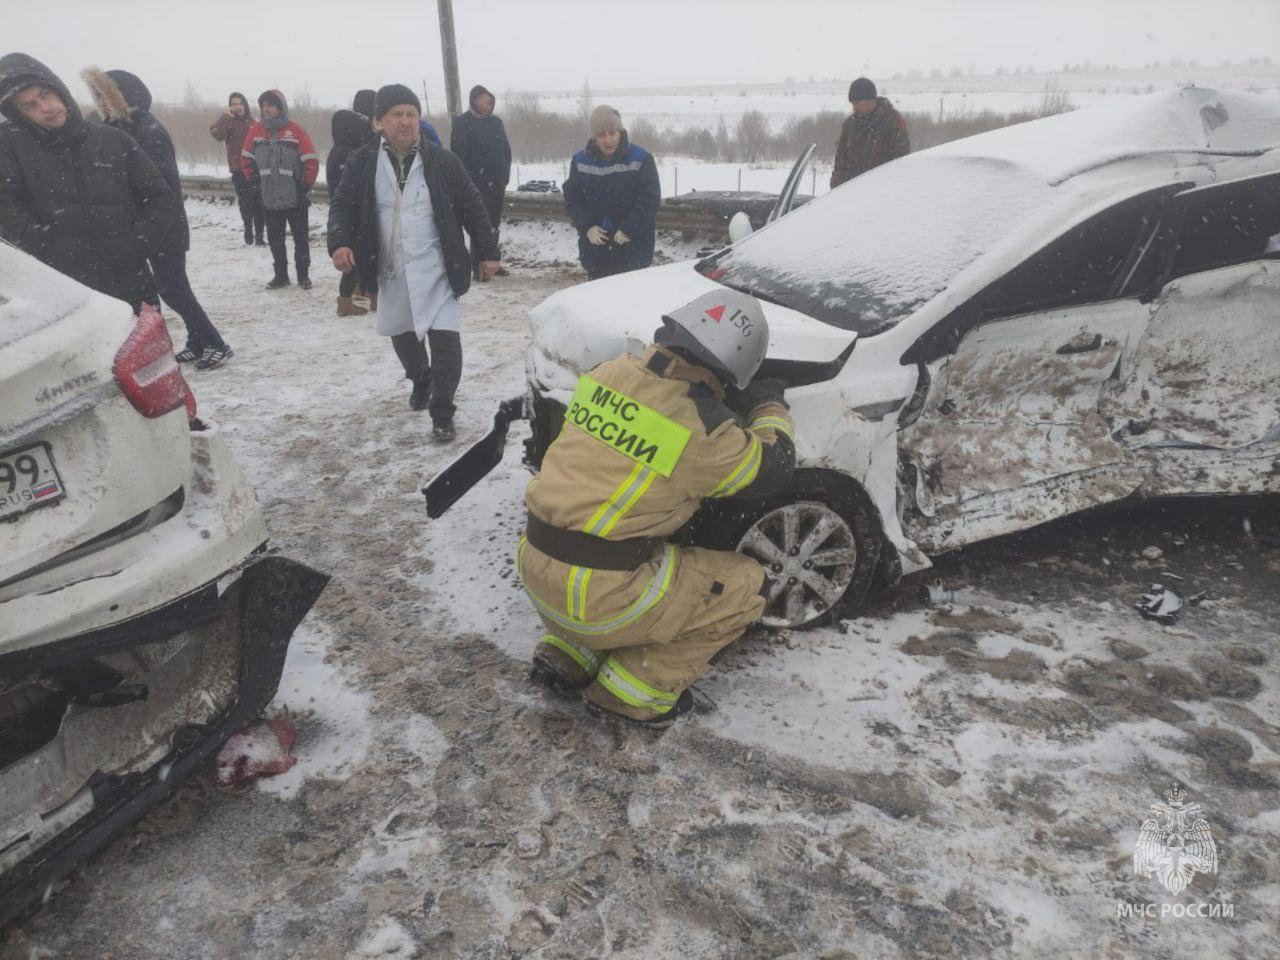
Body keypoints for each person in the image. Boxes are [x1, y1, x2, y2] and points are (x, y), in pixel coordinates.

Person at [518, 290, 795, 726]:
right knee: (745, 585)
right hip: (598, 596)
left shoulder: (609, 372)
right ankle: (631, 693)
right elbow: (772, 468)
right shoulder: (702, 426)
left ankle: (570, 654)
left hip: (536, 565)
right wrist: (769, 404)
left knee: (630, 542)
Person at [327, 84, 500, 440]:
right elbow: (342, 204)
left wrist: (488, 251)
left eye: (411, 114)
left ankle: (443, 410)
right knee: (402, 332)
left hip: (437, 264)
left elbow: (472, 205)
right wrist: (340, 242)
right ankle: (420, 378)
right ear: (378, 123)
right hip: (391, 265)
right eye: (396, 115)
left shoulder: (441, 161)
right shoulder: (362, 162)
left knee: (446, 339)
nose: (405, 122)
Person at [0, 53, 180, 312]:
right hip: (62, 292)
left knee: (146, 352)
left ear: (58, 89)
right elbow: (5, 207)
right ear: (17, 113)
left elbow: (160, 198)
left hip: (130, 285)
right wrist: (47, 247)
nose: (45, 108)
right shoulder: (10, 147)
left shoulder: (112, 140)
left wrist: (136, 243)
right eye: (29, 106)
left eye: (45, 95)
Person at [84, 67, 233, 369]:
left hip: (164, 224)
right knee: (173, 287)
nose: (100, 103)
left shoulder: (148, 131)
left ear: (122, 97)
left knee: (173, 289)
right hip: (146, 224)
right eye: (96, 97)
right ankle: (197, 341)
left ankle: (216, 343)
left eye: (105, 96)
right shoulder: (123, 129)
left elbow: (160, 186)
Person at [563, 104, 661, 281]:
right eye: (601, 135)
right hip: (597, 248)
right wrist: (587, 226)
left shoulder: (641, 158)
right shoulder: (580, 160)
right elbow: (573, 199)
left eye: (612, 133)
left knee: (632, 297)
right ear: (594, 137)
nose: (608, 140)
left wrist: (629, 228)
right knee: (599, 299)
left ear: (621, 132)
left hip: (634, 246)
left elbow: (650, 199)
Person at [242, 89, 319, 290]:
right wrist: (255, 184)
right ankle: (281, 276)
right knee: (276, 240)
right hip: (269, 197)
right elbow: (246, 159)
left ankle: (303, 276)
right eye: (263, 106)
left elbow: (311, 160)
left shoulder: (295, 130)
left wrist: (304, 186)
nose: (267, 109)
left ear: (280, 107)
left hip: (295, 197)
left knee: (301, 239)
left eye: (271, 105)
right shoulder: (256, 131)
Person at [450, 84, 511, 278]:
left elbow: (506, 151)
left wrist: (504, 175)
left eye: (490, 98)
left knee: (493, 224)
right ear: (474, 100)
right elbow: (458, 156)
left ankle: (493, 261)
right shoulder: (462, 123)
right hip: (474, 185)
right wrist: (466, 183)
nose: (489, 101)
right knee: (478, 224)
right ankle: (479, 265)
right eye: (485, 98)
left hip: (497, 184)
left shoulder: (496, 122)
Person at [326, 105, 373, 316]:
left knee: (357, 258)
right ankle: (346, 301)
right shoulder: (345, 154)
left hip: (354, 213)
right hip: (352, 215)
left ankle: (356, 296)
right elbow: (345, 191)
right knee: (353, 259)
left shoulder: (341, 151)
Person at [830, 77, 910, 188]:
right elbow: (840, 162)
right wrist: (835, 187)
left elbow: (901, 160)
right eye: (852, 103)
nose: (854, 108)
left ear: (869, 100)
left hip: (881, 191)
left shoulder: (893, 121)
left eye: (856, 103)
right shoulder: (849, 124)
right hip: (851, 191)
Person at [211, 92, 264, 245]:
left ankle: (260, 235)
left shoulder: (253, 122)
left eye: (240, 103)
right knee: (245, 203)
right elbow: (216, 135)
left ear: (245, 105)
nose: (237, 106)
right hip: (238, 169)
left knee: (259, 203)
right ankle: (248, 230)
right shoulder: (228, 121)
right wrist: (225, 117)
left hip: (255, 169)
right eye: (234, 104)